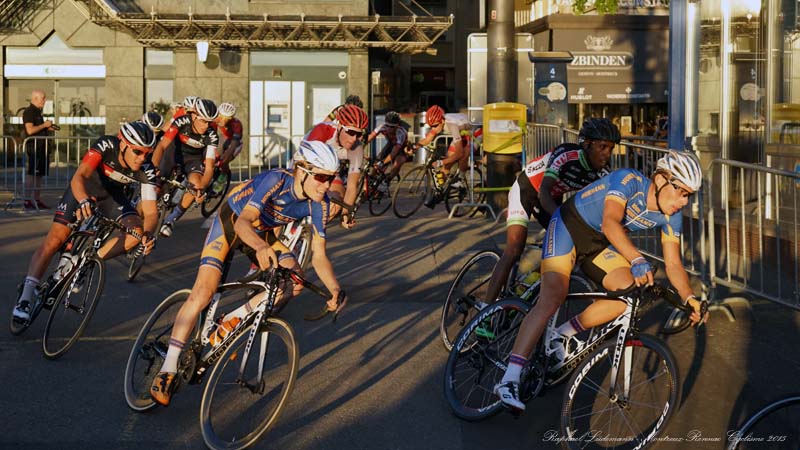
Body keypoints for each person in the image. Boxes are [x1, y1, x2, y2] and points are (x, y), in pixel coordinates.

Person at [493, 150, 708, 411]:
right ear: (661, 179)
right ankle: (509, 379)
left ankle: (562, 334)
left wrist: (690, 298)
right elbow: (610, 223)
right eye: (680, 191)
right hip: (568, 227)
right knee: (553, 296)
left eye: (688, 195)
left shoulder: (672, 216)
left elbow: (673, 264)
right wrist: (636, 259)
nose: (683, 201)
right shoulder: (628, 180)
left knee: (626, 296)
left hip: (597, 244)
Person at [149, 140, 346, 406]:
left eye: (331, 178)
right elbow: (243, 222)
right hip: (231, 223)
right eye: (321, 177)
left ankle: (231, 320)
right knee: (204, 292)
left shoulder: (320, 204)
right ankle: (167, 368)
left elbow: (319, 254)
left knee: (295, 282)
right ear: (301, 170)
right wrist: (261, 247)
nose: (326, 185)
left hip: (261, 234)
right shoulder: (277, 180)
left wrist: (334, 288)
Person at [12, 122, 159, 322]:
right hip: (84, 189)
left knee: (137, 234)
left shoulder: (147, 168)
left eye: (147, 153)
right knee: (55, 240)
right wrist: (83, 200)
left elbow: (150, 212)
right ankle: (26, 297)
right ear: (123, 144)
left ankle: (86, 262)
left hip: (113, 197)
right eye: (137, 151)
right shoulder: (106, 145)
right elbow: (79, 176)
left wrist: (148, 234)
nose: (142, 158)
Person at [483, 118, 620, 304]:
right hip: (527, 190)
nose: (607, 154)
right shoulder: (566, 154)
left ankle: (528, 282)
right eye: (602, 147)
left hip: (551, 197)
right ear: (587, 144)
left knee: (569, 244)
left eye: (611, 148)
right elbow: (544, 192)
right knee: (514, 248)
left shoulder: (601, 172)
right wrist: (565, 220)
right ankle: (486, 309)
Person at [152, 98, 220, 237]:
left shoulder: (212, 135)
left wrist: (201, 189)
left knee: (196, 185)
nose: (206, 126)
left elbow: (209, 167)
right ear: (194, 116)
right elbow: (162, 145)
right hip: (173, 153)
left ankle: (171, 220)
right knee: (155, 187)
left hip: (192, 159)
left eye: (209, 122)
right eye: (203, 121)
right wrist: (154, 167)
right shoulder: (181, 122)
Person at [305, 104, 369, 228]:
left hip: (329, 171)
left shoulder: (357, 148)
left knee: (336, 203)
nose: (354, 139)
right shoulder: (323, 130)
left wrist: (346, 214)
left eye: (359, 134)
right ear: (339, 126)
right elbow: (305, 164)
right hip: (306, 164)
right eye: (351, 132)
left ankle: (311, 231)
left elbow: (351, 186)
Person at [22, 89, 56, 209]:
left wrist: (47, 128)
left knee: (39, 174)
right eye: (43, 98)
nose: (45, 100)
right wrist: (44, 125)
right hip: (34, 148)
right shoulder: (29, 111)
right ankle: (27, 200)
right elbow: (30, 130)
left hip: (42, 148)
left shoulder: (38, 112)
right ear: (35, 98)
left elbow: (37, 128)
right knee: (32, 173)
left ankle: (37, 199)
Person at [365, 111, 408, 179]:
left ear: (397, 126)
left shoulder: (400, 133)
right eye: (387, 125)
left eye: (392, 127)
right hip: (390, 144)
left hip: (401, 148)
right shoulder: (382, 127)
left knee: (397, 164)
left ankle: (388, 179)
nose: (389, 128)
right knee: (376, 166)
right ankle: (372, 179)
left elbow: (394, 153)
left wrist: (383, 162)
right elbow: (369, 138)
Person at [211, 102, 243, 175]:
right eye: (222, 116)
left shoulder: (236, 124)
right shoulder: (215, 119)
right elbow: (212, 136)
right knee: (214, 156)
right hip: (224, 138)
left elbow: (233, 145)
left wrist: (223, 159)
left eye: (227, 118)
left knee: (224, 160)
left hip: (236, 142)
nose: (223, 120)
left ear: (231, 118)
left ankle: (224, 175)